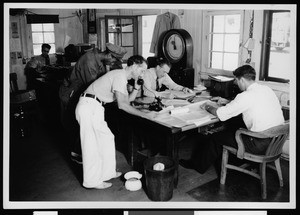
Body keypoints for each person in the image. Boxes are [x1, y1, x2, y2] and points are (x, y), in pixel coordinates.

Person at [179, 65, 285, 175]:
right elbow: (251, 105)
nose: (236, 83)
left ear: (242, 80)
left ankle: (198, 166)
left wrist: (207, 106)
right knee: (233, 126)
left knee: (215, 138)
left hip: (259, 145)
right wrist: (227, 102)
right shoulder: (266, 89)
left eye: (236, 80)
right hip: (275, 142)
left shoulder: (245, 96)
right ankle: (231, 160)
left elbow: (221, 114)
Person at [75, 55, 157, 189]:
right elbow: (122, 106)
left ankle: (108, 172)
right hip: (88, 106)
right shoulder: (119, 75)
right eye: (142, 70)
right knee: (91, 145)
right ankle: (92, 182)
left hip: (95, 107)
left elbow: (127, 100)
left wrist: (136, 88)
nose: (143, 74)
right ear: (134, 66)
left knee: (107, 138)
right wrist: (146, 116)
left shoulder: (122, 78)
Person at [59, 43, 127, 164]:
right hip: (72, 92)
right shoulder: (89, 61)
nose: (113, 62)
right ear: (109, 55)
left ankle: (81, 152)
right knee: (80, 124)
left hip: (82, 92)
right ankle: (77, 154)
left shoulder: (101, 59)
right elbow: (94, 86)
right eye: (114, 59)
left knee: (86, 125)